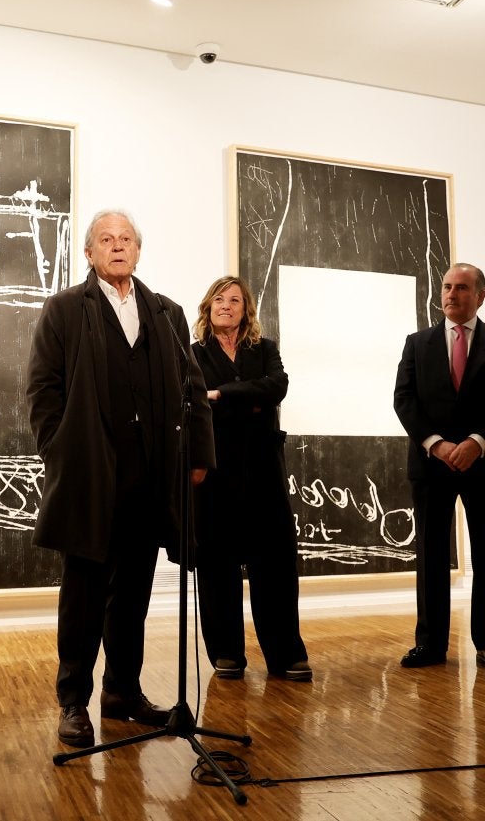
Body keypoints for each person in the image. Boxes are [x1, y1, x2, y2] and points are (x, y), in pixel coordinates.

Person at [26, 210, 215, 748]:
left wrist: (197, 455)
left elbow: (191, 388)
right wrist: (59, 452)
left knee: (133, 592)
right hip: (91, 475)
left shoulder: (165, 312)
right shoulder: (65, 309)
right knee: (84, 595)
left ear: (138, 251)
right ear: (89, 253)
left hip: (150, 476)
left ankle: (122, 692)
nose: (116, 247)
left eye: (125, 239)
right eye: (105, 240)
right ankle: (72, 702)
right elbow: (43, 389)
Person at [393, 263, 485, 672]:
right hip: (432, 463)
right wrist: (437, 444)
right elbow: (404, 400)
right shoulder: (417, 343)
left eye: (462, 288)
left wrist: (475, 443)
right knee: (430, 554)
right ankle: (430, 645)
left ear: (480, 296)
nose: (452, 294)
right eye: (447, 287)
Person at [190, 275, 310, 682]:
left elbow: (277, 387)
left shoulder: (265, 349)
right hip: (215, 469)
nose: (227, 305)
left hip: (263, 469)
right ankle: (226, 652)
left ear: (247, 310)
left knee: (274, 562)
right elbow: (193, 400)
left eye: (236, 300)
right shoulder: (193, 354)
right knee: (217, 561)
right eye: (219, 299)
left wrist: (222, 396)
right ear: (208, 307)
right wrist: (249, 400)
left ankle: (285, 653)